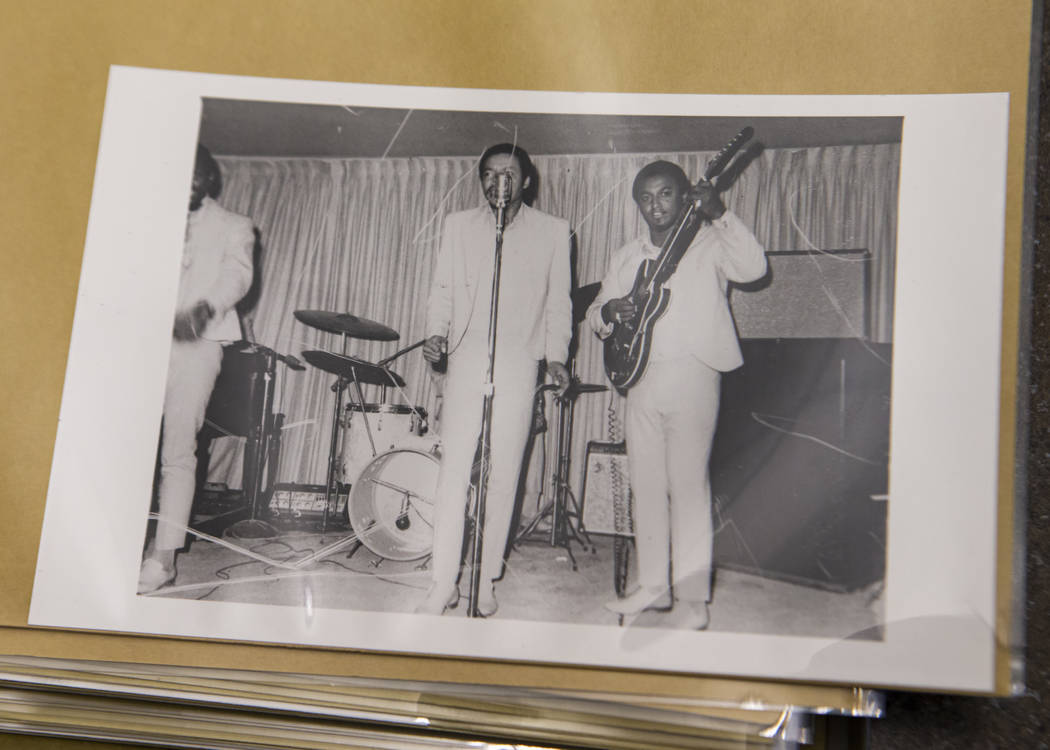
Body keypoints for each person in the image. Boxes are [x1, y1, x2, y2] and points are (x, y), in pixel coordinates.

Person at [586, 160, 766, 629]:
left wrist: (721, 214)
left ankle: (693, 603)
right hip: (641, 377)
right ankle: (652, 587)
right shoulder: (628, 255)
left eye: (665, 194)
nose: (656, 205)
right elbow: (596, 313)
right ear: (637, 205)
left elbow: (754, 267)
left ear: (685, 195)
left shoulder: (710, 243)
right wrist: (611, 308)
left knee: (687, 485)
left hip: (694, 372)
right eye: (646, 197)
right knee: (645, 483)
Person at [417, 143, 572, 616]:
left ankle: (486, 581)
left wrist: (556, 357)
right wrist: (435, 335)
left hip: (518, 365)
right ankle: (443, 583)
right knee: (453, 476)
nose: (496, 181)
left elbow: (559, 302)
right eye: (487, 173)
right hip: (466, 365)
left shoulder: (553, 232)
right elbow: (442, 288)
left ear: (526, 181)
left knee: (504, 477)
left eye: (507, 173)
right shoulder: (458, 227)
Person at [137, 144, 255, 594]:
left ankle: (162, 559)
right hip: (140, 342)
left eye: (195, 175)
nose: (187, 182)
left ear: (209, 179)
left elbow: (237, 276)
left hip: (196, 343)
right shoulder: (147, 218)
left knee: (178, 451)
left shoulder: (233, 225)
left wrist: (205, 307)